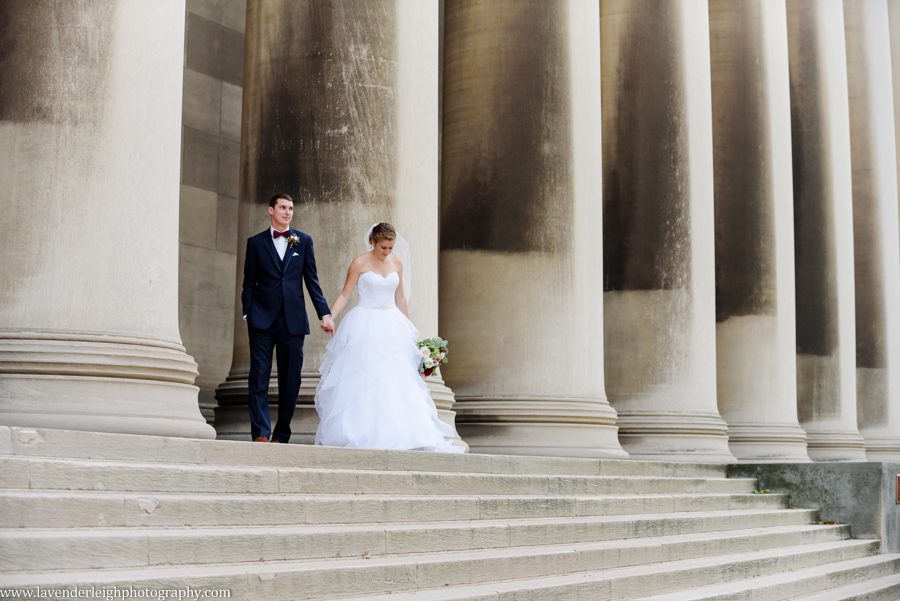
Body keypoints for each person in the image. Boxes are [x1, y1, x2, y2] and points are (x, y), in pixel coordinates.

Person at [314, 223, 462, 453]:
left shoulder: (397, 263)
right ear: (373, 242)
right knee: (364, 377)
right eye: (384, 247)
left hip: (392, 323)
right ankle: (360, 431)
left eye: (391, 248)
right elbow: (345, 294)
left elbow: (400, 298)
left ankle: (401, 432)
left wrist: (411, 330)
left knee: (397, 378)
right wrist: (329, 316)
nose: (387, 252)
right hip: (364, 322)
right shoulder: (359, 263)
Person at [242, 193, 335, 443]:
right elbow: (248, 283)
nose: (287, 212)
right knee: (258, 376)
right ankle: (260, 432)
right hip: (261, 319)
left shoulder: (303, 241)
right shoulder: (255, 243)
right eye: (282, 207)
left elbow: (311, 281)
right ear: (270, 210)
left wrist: (324, 313)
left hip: (292, 321)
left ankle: (282, 433)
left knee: (291, 379)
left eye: (290, 208)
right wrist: (248, 311)